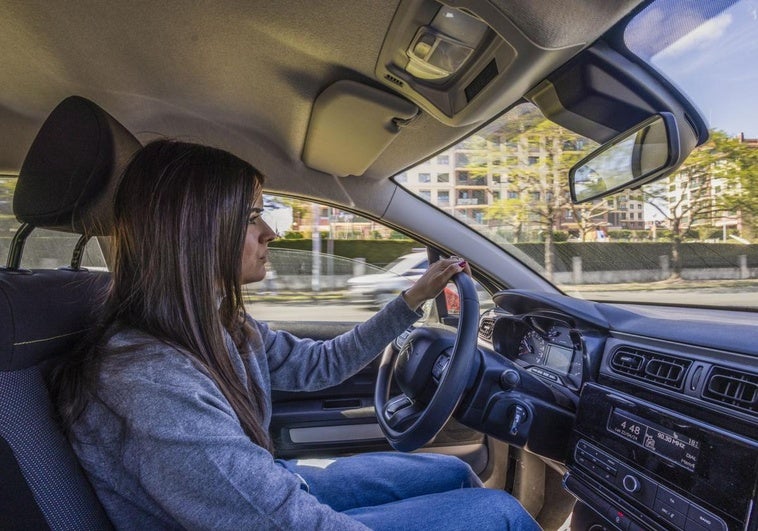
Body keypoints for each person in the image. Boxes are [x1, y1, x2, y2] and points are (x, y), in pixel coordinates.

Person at [51, 140, 540, 530]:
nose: (270, 233)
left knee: (454, 472)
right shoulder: (148, 378)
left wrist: (411, 302)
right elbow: (280, 522)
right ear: (196, 231)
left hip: (267, 492)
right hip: (263, 515)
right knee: (498, 515)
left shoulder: (213, 325)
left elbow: (319, 365)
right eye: (250, 217)